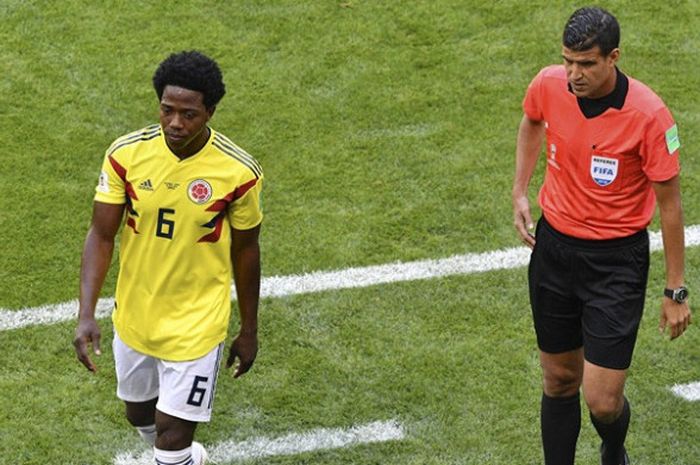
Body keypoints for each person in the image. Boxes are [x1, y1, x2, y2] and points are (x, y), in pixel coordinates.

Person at [512, 7, 691, 465]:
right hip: (554, 251)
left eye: (587, 64)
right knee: (557, 380)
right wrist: (520, 190)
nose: (574, 74)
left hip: (615, 263)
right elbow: (532, 119)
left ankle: (613, 445)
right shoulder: (549, 84)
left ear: (613, 57)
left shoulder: (650, 116)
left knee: (603, 401)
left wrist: (676, 290)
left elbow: (670, 207)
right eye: (568, 61)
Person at [73, 50, 263, 465]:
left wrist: (248, 329)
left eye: (189, 114)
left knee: (172, 436)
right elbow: (101, 235)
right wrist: (86, 312)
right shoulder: (126, 155)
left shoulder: (238, 171)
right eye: (167, 110)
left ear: (210, 111)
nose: (176, 123)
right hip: (136, 315)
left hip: (198, 322)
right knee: (140, 415)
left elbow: (246, 251)